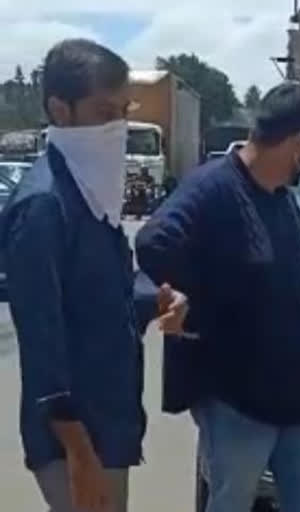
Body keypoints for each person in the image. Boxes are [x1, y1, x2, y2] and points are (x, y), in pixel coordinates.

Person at [135, 83, 300, 512]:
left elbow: (299, 270)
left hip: (295, 392)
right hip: (234, 395)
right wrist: (192, 306)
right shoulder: (212, 190)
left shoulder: (283, 202)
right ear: (297, 141)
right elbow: (154, 242)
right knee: (232, 500)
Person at [0, 39, 188, 512]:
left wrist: (159, 297)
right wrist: (79, 453)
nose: (118, 126)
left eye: (123, 110)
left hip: (107, 422)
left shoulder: (89, 192)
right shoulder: (44, 205)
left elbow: (110, 292)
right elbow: (42, 341)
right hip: (74, 438)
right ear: (59, 110)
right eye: (104, 111)